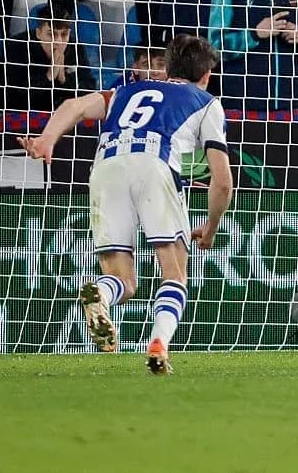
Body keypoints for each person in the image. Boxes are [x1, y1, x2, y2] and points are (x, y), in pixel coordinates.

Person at [20, 35, 234, 375]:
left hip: (106, 167)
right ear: (206, 75)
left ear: (167, 68)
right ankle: (159, 343)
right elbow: (222, 182)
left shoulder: (124, 91)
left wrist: (47, 139)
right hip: (154, 164)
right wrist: (210, 228)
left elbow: (74, 106)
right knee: (174, 274)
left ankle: (101, 294)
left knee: (123, 280)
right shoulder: (207, 102)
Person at [1, 1, 99, 116]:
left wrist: (65, 79)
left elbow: (89, 91)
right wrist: (48, 76)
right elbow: (9, 98)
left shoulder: (75, 48)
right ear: (38, 33)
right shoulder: (16, 48)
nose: (58, 42)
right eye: (51, 35)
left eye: (64, 35)